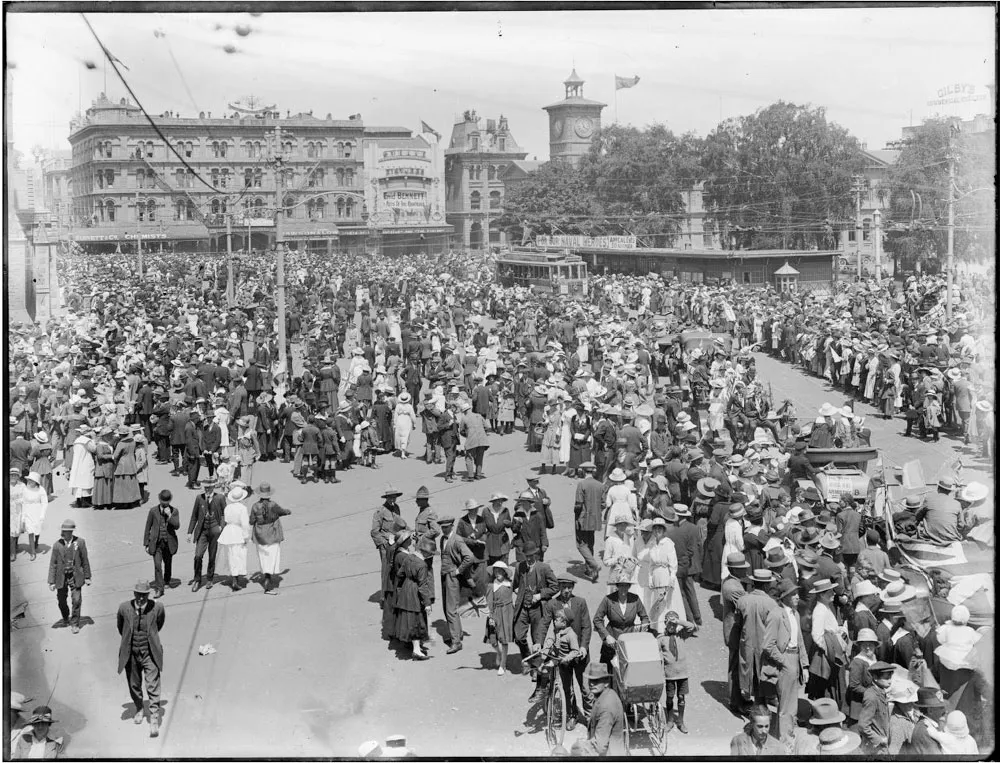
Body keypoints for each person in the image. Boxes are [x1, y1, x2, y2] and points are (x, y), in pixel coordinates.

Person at [761, 578, 808, 746]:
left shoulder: (795, 613)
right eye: (793, 594)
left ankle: (788, 733)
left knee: (792, 703)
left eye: (797, 593)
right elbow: (768, 645)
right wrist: (784, 662)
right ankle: (786, 742)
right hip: (785, 659)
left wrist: (804, 665)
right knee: (786, 706)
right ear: (785, 597)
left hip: (795, 658)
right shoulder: (776, 614)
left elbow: (800, 640)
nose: (797, 596)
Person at [117, 580, 166, 737]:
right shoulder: (124, 608)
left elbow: (159, 623)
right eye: (138, 595)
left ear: (148, 595)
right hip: (131, 653)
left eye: (144, 595)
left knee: (153, 685)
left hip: (149, 653)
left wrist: (150, 639)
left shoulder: (157, 607)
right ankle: (139, 708)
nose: (140, 599)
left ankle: (153, 718)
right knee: (134, 685)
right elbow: (121, 627)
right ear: (134, 594)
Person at [513, 541, 557, 698]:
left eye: (532, 556)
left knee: (537, 641)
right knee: (518, 636)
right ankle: (529, 661)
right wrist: (520, 594)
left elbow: (555, 587)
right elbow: (515, 585)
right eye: (527, 556)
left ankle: (537, 673)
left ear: (536, 555)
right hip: (523, 609)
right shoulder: (520, 567)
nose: (530, 559)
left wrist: (539, 595)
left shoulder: (544, 568)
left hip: (538, 610)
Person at [593, 572, 650, 666]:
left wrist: (643, 628)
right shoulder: (608, 599)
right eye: (621, 585)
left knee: (629, 670)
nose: (623, 588)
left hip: (630, 640)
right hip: (612, 641)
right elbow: (597, 619)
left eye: (626, 585)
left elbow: (644, 617)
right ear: (617, 586)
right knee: (610, 671)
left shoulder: (635, 599)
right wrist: (607, 636)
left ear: (629, 586)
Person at [47, 519, 92, 634]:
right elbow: (53, 564)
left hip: (75, 576)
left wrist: (87, 576)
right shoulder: (57, 545)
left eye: (66, 531)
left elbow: (84, 560)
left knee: (76, 600)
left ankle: (75, 623)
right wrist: (51, 581)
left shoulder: (80, 542)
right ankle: (66, 617)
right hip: (61, 577)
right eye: (62, 530)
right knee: (61, 601)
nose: (63, 533)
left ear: (71, 532)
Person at [394, 534, 434, 660]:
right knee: (417, 621)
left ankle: (416, 647)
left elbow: (400, 574)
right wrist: (427, 603)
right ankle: (416, 650)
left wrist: (403, 588)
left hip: (406, 590)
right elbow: (422, 586)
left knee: (410, 621)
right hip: (415, 594)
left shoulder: (409, 557)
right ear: (426, 553)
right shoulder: (422, 565)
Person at [438, 515, 474, 654]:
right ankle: (457, 634)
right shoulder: (442, 539)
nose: (444, 529)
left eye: (446, 527)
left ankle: (456, 642)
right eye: (442, 527)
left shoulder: (457, 540)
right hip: (445, 575)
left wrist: (458, 571)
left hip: (452, 577)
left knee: (451, 609)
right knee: (447, 606)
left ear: (452, 526)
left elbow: (469, 557)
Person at [657, 610, 697, 734]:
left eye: (674, 624)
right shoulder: (661, 638)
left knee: (681, 697)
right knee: (669, 697)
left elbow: (692, 626)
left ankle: (680, 721)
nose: (672, 626)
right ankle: (670, 721)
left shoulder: (682, 635)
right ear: (665, 623)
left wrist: (678, 621)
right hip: (669, 674)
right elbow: (656, 655)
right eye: (669, 623)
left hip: (682, 674)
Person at [249, 482, 291, 595]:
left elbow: (251, 521)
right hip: (272, 534)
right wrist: (288, 511)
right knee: (273, 556)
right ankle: (269, 576)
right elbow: (282, 512)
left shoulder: (254, 506)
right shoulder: (273, 505)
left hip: (260, 535)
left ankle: (266, 575)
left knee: (263, 557)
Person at [186, 477, 225, 593]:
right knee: (198, 555)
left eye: (209, 487)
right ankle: (197, 579)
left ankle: (209, 578)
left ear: (213, 487)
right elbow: (194, 516)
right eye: (206, 488)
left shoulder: (220, 498)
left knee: (212, 555)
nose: (207, 490)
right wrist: (189, 532)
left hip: (214, 530)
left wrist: (220, 526)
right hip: (202, 531)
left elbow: (224, 514)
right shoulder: (199, 498)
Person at [583, 662, 625, 756]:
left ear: (606, 683)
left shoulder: (606, 707)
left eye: (597, 681)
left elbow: (599, 746)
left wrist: (580, 747)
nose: (592, 684)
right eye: (591, 680)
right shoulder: (606, 694)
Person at [144, 490, 180, 598]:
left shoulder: (174, 511)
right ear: (159, 500)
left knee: (168, 563)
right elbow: (147, 527)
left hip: (169, 543)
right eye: (163, 501)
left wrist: (170, 515)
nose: (165, 504)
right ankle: (160, 588)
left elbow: (177, 526)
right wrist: (146, 543)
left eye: (167, 502)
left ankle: (167, 579)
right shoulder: (153, 511)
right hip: (156, 543)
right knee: (157, 565)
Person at [573, 462, 603, 583]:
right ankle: (590, 570)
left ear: (584, 471)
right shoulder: (600, 485)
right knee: (590, 542)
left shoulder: (582, 484)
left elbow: (578, 503)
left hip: (583, 518)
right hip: (595, 518)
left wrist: (576, 514)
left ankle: (594, 564)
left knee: (580, 544)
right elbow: (603, 503)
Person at [857, 660, 894, 754]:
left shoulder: (881, 691)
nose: (890, 681)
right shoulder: (871, 697)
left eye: (890, 677)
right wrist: (879, 739)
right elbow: (863, 726)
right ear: (875, 678)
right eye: (886, 678)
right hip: (874, 748)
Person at [485, 560, 515, 675]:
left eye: (500, 571)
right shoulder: (491, 586)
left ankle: (503, 664)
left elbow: (519, 592)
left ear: (504, 572)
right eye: (495, 571)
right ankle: (498, 652)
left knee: (504, 640)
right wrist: (490, 615)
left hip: (507, 613)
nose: (497, 573)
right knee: (493, 640)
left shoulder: (510, 584)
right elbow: (489, 602)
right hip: (495, 613)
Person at [219, 485, 252, 591]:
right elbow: (245, 524)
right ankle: (235, 580)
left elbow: (226, 519)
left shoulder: (228, 508)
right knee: (238, 556)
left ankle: (234, 577)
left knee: (230, 555)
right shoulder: (242, 508)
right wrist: (246, 536)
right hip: (238, 531)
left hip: (229, 531)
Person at [20, 472, 48, 561]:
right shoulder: (25, 489)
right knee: (30, 531)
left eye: (32, 480)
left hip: (37, 512)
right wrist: (23, 516)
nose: (30, 481)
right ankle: (32, 552)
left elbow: (44, 503)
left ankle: (37, 541)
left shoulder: (41, 490)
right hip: (28, 512)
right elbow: (23, 502)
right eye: (29, 480)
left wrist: (42, 514)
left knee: (37, 530)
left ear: (36, 482)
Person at [10, 467, 25, 561]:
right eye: (11, 475)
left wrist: (18, 501)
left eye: (15, 475)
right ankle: (13, 553)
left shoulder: (22, 485)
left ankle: (15, 545)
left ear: (18, 476)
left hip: (18, 510)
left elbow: (25, 497)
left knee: (17, 530)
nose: (13, 477)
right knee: (12, 532)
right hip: (9, 510)